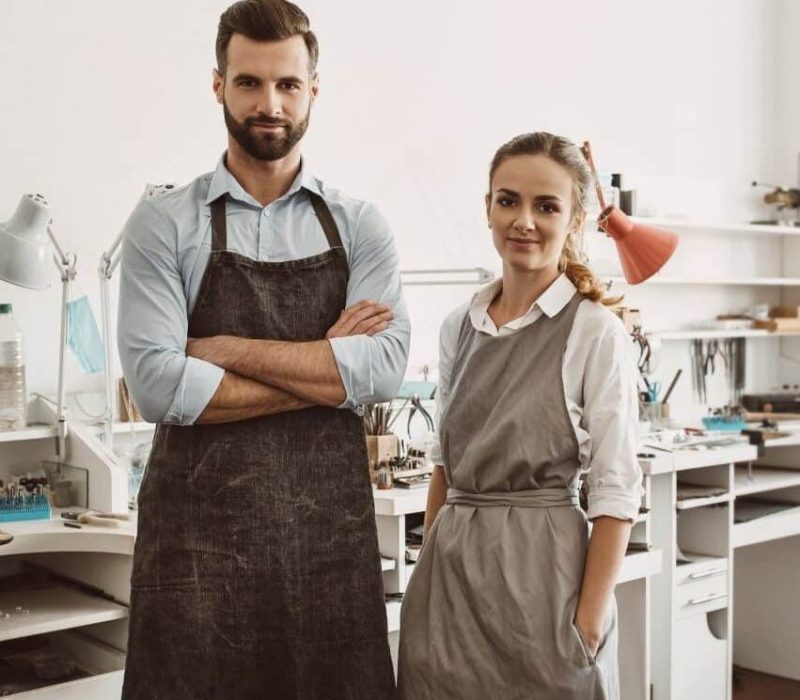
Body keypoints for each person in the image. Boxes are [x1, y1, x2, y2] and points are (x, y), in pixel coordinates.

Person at [117, 1, 408, 697]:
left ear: (314, 88)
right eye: (249, 83)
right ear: (218, 84)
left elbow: (384, 369)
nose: (268, 103)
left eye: (287, 84)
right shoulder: (163, 224)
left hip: (327, 554)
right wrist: (326, 368)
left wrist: (223, 351)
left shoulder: (360, 224)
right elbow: (159, 387)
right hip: (195, 558)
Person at [397, 132, 642, 700]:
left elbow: (615, 491)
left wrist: (588, 619)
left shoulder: (593, 331)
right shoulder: (459, 325)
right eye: (508, 201)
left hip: (545, 585)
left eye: (546, 206)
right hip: (449, 592)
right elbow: (444, 466)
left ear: (575, 220)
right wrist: (425, 579)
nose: (523, 221)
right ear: (487, 208)